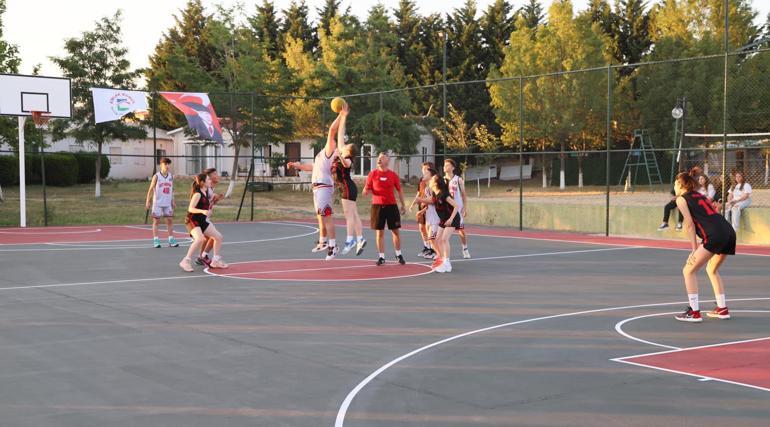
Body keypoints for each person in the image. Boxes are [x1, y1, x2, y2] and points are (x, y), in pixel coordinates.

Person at [673, 168, 736, 322]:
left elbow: (689, 225)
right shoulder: (699, 195)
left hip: (714, 235)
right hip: (728, 231)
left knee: (688, 271)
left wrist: (694, 249)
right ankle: (722, 309)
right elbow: (711, 212)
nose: (674, 187)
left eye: (675, 184)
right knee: (712, 269)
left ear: (681, 185)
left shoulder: (681, 199)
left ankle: (694, 312)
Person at [288, 104, 345, 260]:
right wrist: (297, 165)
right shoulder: (322, 156)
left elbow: (332, 131)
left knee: (326, 216)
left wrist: (341, 114)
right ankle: (323, 241)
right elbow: (311, 167)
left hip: (323, 187)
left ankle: (334, 246)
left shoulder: (329, 151)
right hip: (318, 187)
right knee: (321, 216)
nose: (330, 140)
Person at [331, 107, 366, 256]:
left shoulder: (348, 159)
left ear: (349, 152)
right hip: (347, 188)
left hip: (347, 188)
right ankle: (360, 238)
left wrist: (339, 155)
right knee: (355, 214)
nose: (343, 146)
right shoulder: (342, 153)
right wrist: (342, 116)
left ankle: (350, 240)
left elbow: (345, 164)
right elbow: (340, 134)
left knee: (349, 215)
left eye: (346, 146)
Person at [363, 152, 407, 266]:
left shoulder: (393, 175)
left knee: (395, 231)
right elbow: (366, 188)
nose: (379, 159)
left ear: (388, 160)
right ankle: (381, 257)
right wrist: (365, 191)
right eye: (378, 158)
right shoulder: (372, 174)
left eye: (382, 158)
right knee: (379, 233)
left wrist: (403, 205)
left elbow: (399, 190)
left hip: (391, 206)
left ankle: (398, 254)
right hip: (377, 207)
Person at [180, 173, 228, 272]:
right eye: (208, 179)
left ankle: (215, 261)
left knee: (218, 237)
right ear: (202, 182)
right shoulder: (197, 193)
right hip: (192, 220)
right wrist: (203, 211)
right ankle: (186, 261)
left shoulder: (205, 191)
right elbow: (190, 208)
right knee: (200, 239)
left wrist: (215, 200)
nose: (210, 181)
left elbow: (207, 203)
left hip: (202, 220)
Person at [429, 175, 461, 273]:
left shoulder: (444, 194)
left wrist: (451, 219)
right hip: (444, 219)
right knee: (437, 239)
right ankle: (444, 261)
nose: (430, 180)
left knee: (444, 239)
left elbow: (456, 206)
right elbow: (431, 201)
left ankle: (447, 263)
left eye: (432, 179)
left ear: (436, 183)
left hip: (452, 218)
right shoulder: (435, 194)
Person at [145, 157, 179, 248]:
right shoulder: (156, 176)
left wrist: (173, 200)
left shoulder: (171, 176)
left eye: (168, 164)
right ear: (161, 165)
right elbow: (150, 189)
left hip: (167, 202)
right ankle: (156, 240)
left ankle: (171, 239)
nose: (167, 166)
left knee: (170, 220)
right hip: (158, 203)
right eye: (165, 164)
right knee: (156, 221)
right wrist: (148, 201)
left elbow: (172, 189)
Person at [411, 165, 440, 260]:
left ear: (431, 175)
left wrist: (421, 200)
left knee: (433, 238)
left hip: (436, 216)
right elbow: (428, 203)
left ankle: (440, 255)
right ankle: (435, 253)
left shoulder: (433, 187)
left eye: (426, 172)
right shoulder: (427, 187)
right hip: (429, 215)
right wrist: (422, 210)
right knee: (430, 237)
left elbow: (433, 201)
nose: (424, 173)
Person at [196, 168, 224, 267]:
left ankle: (202, 256)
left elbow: (209, 203)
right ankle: (203, 256)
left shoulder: (211, 188)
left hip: (204, 217)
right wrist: (214, 198)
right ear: (209, 177)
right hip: (200, 217)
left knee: (211, 237)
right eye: (215, 174)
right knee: (215, 237)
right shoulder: (207, 188)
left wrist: (216, 200)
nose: (217, 175)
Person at [443, 159, 470, 258]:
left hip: (457, 209)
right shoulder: (441, 180)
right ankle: (443, 254)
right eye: (444, 165)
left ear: (453, 168)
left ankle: (465, 248)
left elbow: (463, 195)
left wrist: (464, 208)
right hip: (447, 210)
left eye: (447, 165)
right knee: (443, 232)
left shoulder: (458, 180)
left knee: (461, 230)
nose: (445, 167)